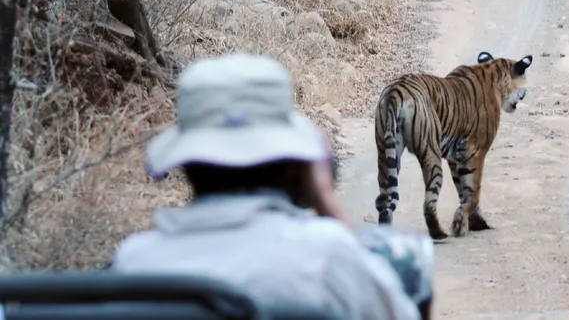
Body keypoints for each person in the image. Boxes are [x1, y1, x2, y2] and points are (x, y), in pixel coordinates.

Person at [111, 52, 432, 320]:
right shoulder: (326, 256)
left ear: (187, 164)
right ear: (295, 165)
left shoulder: (133, 263)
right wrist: (325, 200)